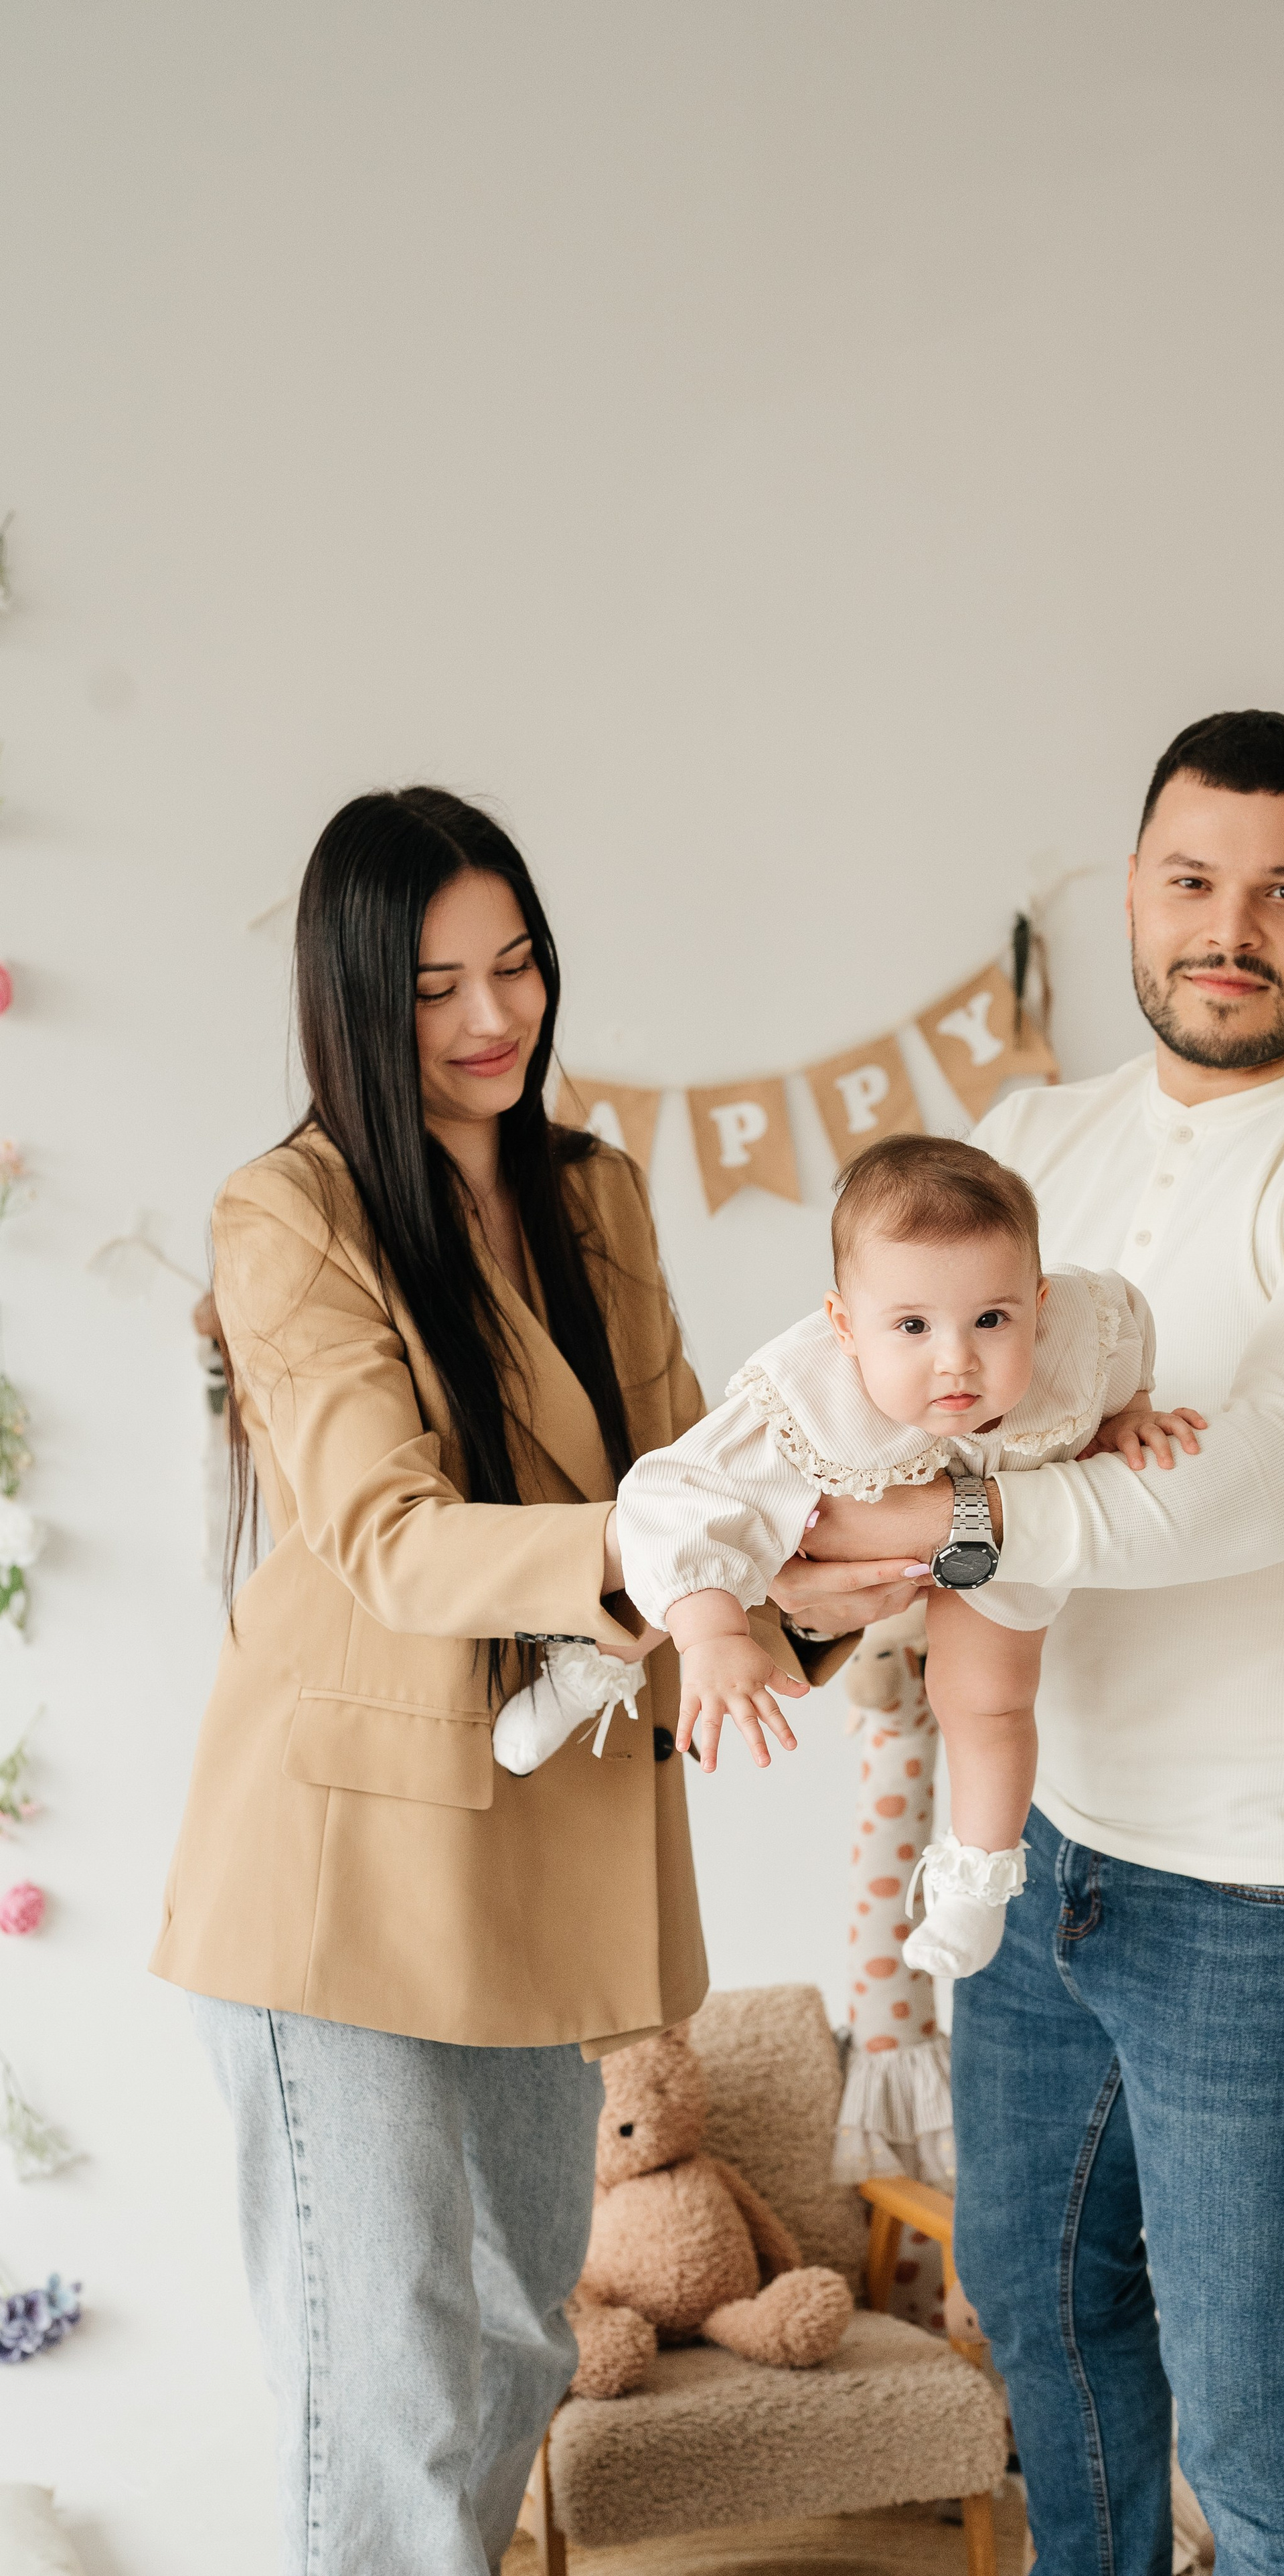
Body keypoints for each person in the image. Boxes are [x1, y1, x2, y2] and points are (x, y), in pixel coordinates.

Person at [798, 710, 1284, 2576]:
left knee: (1255, 2387)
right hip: (1045, 1835)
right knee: (1040, 2313)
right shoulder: (1035, 1141)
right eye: (1194, 882)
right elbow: (891, 1390)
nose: (1233, 927)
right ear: (1134, 893)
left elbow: (1246, 1490)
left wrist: (889, 1526)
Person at [151, 789, 907, 2576]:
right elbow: (393, 1536)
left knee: (503, 2369)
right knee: (398, 2403)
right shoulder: (290, 1212)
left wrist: (840, 1581)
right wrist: (665, 1555)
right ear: (352, 996)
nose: (494, 1019)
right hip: (344, 1885)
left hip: (537, 1863)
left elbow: (693, 1477)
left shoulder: (593, 1193)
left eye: (518, 968)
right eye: (435, 987)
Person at [584, 1133, 1200, 1980]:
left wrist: (1130, 1407)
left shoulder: (1078, 1329)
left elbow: (1125, 1318)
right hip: (848, 1502)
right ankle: (586, 1672)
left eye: (992, 1318)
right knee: (733, 1532)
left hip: (995, 1521)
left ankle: (978, 1881)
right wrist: (711, 1635)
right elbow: (670, 1496)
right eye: (911, 1325)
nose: (957, 1359)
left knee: (984, 1698)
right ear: (844, 1323)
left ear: (1038, 1301)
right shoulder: (811, 1396)